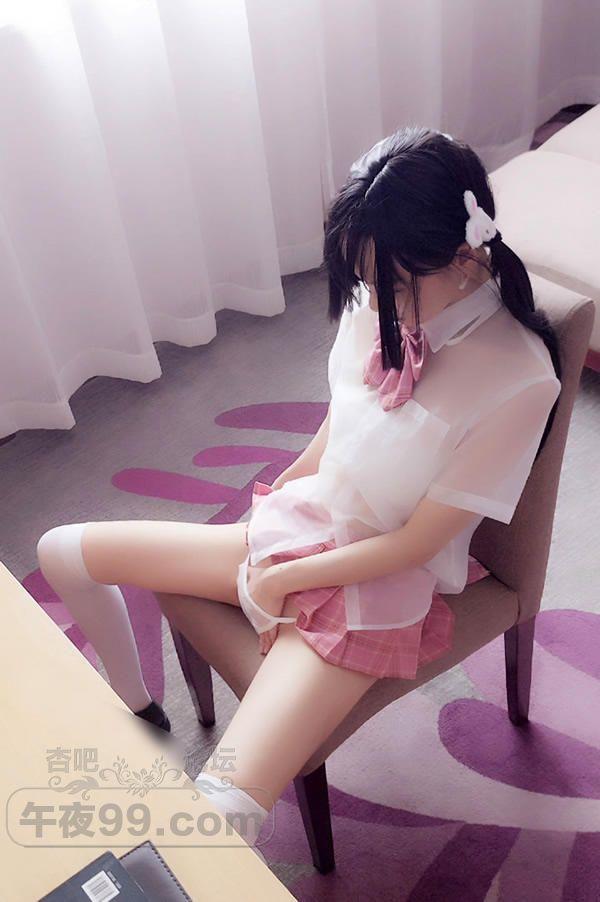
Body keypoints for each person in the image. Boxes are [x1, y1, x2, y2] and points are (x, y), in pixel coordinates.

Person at [36, 125, 562, 862]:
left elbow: (416, 543)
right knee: (60, 551)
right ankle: (139, 710)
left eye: (395, 284)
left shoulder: (520, 378)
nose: (376, 301)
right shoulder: (378, 301)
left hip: (373, 590)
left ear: (466, 255)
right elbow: (344, 413)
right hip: (305, 527)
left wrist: (288, 577)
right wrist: (288, 486)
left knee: (219, 811)